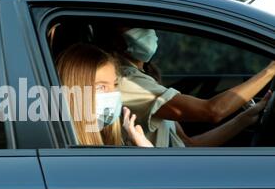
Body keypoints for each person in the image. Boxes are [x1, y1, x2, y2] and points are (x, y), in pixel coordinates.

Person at [101, 26, 274, 147]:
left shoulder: (143, 78)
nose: (146, 30)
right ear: (114, 39)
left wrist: (244, 119)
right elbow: (212, 111)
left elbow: (187, 144)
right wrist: (270, 70)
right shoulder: (126, 82)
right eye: (133, 25)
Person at [56, 43, 153, 147]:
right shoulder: (62, 147)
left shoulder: (110, 142)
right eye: (100, 87)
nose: (113, 95)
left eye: (115, 84)